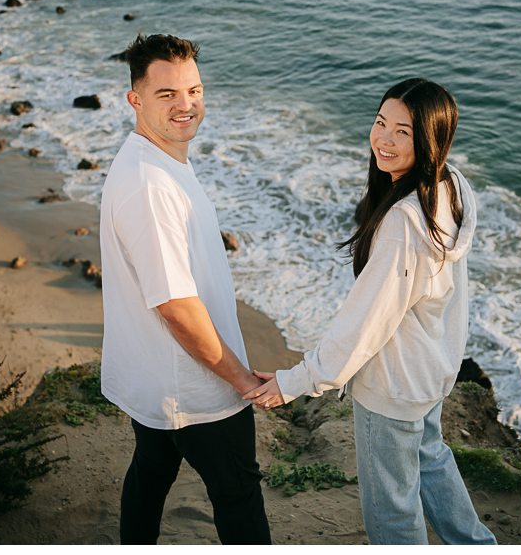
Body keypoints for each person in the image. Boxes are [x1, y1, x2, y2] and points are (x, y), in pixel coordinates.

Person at [244, 78, 496, 546]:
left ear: (429, 141)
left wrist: (294, 382)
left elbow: (363, 326)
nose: (384, 139)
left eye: (404, 132)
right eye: (381, 123)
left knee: (392, 513)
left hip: (394, 384)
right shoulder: (451, 186)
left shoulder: (404, 222)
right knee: (430, 459)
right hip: (428, 372)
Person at [99, 34, 271, 546]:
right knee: (239, 495)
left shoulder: (158, 158)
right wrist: (241, 380)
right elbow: (175, 305)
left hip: (158, 378)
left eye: (194, 90)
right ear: (135, 99)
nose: (186, 105)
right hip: (194, 389)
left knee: (150, 475)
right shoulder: (150, 185)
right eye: (167, 94)